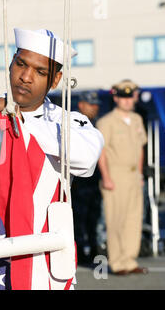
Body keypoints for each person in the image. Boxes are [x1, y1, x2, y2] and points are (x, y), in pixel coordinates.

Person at [0, 28, 104, 290]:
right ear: (10, 63)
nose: (25, 77)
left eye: (40, 72)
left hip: (41, 262)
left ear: (55, 80)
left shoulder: (68, 121)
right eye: (20, 64)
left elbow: (87, 158)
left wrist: (16, 121)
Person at [96, 79, 148, 275]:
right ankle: (117, 263)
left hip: (134, 175)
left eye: (130, 97)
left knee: (133, 219)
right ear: (116, 98)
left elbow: (140, 149)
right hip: (115, 174)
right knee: (115, 219)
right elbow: (102, 152)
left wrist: (140, 173)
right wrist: (107, 177)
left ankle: (129, 260)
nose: (127, 102)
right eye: (123, 97)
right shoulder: (106, 122)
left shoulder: (136, 120)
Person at [71, 91, 103, 264]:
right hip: (79, 181)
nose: (95, 107)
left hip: (94, 180)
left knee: (94, 217)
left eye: (97, 104)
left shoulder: (96, 125)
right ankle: (80, 251)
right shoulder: (74, 124)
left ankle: (93, 248)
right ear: (81, 105)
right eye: (91, 104)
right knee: (78, 219)